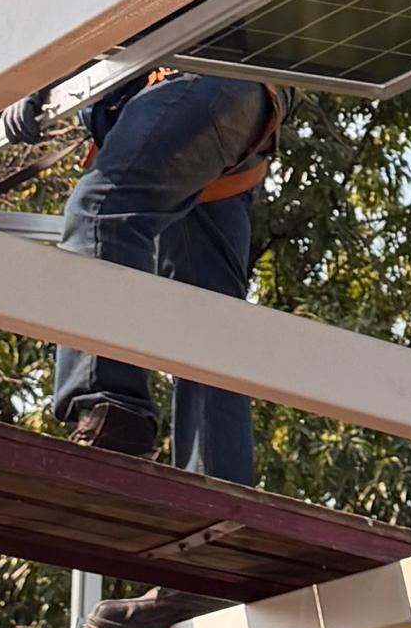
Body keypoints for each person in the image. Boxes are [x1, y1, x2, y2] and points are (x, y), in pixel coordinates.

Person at [51, 69, 284, 485]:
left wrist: (27, 85)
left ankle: (110, 404)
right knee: (207, 309)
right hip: (242, 105)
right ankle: (219, 481)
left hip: (195, 77)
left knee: (101, 214)